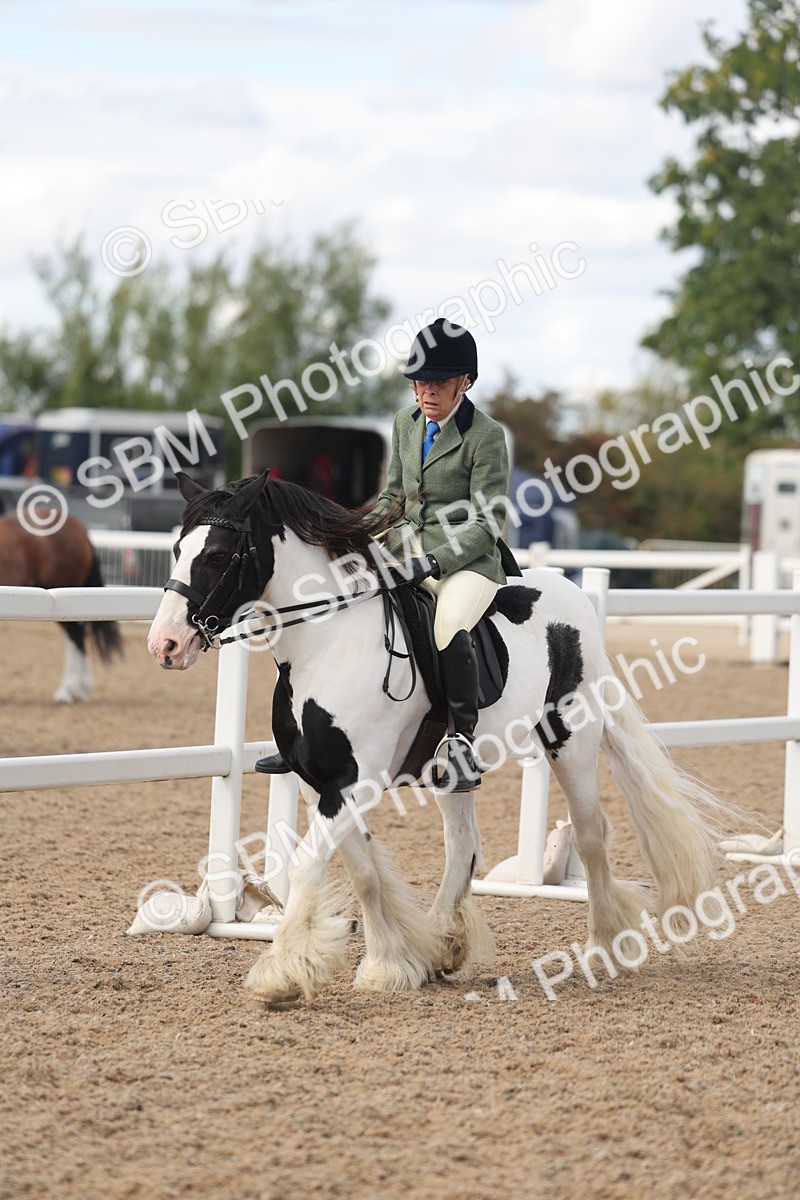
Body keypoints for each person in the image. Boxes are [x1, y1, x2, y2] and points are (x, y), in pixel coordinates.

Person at [256, 318, 516, 791]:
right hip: (405, 545)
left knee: (449, 624)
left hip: (465, 560)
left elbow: (487, 521)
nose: (426, 391)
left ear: (465, 382)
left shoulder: (486, 436)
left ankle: (461, 741)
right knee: (341, 602)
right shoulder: (404, 423)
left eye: (438, 382)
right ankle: (300, 731)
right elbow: (394, 496)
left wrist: (435, 561)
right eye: (419, 381)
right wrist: (353, 530)